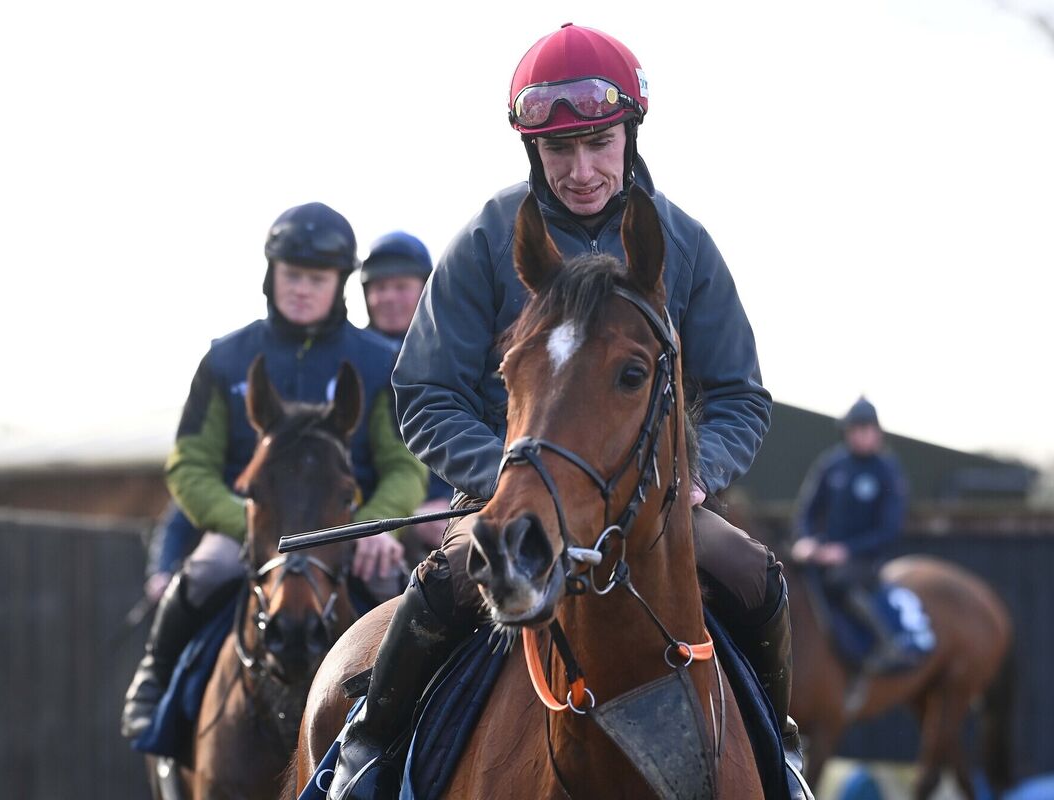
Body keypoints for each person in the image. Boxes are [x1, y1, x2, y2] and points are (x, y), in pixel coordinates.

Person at [330, 23, 808, 799]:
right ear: (533, 152)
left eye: (598, 144)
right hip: (508, 499)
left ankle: (777, 753)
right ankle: (365, 753)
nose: (581, 170)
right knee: (440, 586)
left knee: (757, 579)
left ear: (629, 133)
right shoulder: (488, 239)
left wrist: (699, 472)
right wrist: (517, 478)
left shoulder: (683, 243)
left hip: (655, 510)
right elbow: (423, 391)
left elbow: (740, 397)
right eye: (560, 152)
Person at [120, 202, 428, 740]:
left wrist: (376, 525)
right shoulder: (224, 360)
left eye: (317, 278)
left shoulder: (381, 362)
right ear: (272, 275)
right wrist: (245, 522)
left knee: (398, 586)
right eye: (293, 275)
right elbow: (190, 465)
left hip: (345, 529)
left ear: (338, 283)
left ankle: (420, 717)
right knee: (204, 573)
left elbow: (403, 467)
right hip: (249, 524)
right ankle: (154, 680)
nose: (302, 288)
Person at [793, 396, 909, 671]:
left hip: (865, 560)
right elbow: (807, 510)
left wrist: (846, 551)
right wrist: (805, 540)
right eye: (855, 429)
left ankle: (886, 642)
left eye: (866, 429)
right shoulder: (832, 465)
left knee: (839, 580)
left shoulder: (887, 471)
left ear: (877, 432)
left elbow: (888, 530)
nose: (860, 435)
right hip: (824, 552)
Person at [359, 232, 454, 554]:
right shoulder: (353, 364)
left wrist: (451, 501)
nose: (388, 298)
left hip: (444, 507)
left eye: (401, 287)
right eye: (379, 287)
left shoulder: (455, 355)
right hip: (370, 514)